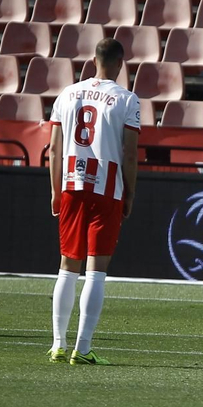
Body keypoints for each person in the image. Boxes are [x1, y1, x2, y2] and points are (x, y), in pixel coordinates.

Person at [46, 38, 140, 365]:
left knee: (67, 267)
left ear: (94, 59)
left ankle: (58, 344)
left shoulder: (68, 94)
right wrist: (129, 192)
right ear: (120, 63)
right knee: (96, 271)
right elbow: (129, 153)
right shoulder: (126, 100)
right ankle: (82, 349)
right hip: (107, 187)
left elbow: (55, 149)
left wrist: (56, 189)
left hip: (72, 183)